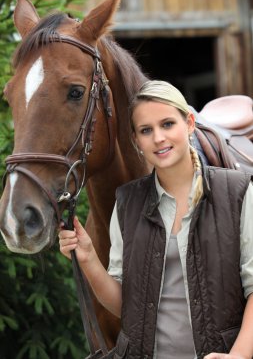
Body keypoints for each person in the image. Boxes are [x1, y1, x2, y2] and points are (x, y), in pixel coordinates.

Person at [59, 80, 253, 359]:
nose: (159, 138)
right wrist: (88, 257)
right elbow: (125, 307)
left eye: (167, 124)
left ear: (188, 123)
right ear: (136, 141)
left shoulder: (237, 191)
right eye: (146, 130)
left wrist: (239, 356)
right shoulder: (127, 203)